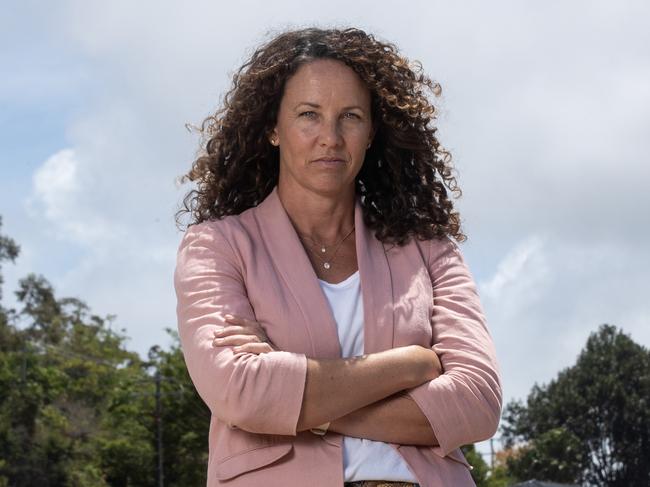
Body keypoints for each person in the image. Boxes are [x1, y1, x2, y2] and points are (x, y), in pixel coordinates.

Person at [174, 27, 501, 487]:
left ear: (371, 132)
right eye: (309, 114)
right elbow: (240, 389)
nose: (330, 137)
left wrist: (302, 408)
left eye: (350, 116)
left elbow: (477, 402)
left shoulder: (430, 249)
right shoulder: (217, 246)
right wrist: (411, 365)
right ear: (272, 127)